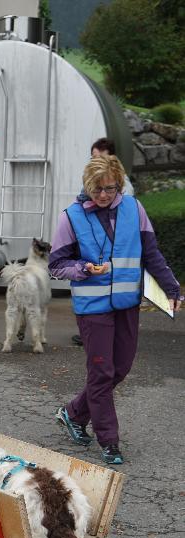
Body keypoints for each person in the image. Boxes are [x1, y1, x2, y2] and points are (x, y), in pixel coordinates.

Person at [49, 154, 181, 465]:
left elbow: (152, 254)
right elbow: (56, 265)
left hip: (127, 305)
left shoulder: (134, 209)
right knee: (101, 372)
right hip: (92, 308)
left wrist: (172, 288)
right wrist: (82, 268)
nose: (103, 195)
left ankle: (73, 413)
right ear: (87, 185)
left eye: (109, 188)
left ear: (119, 184)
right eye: (96, 189)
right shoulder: (71, 217)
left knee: (119, 369)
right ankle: (109, 441)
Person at [72, 137, 135, 346]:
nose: (102, 194)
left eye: (99, 156)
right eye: (93, 157)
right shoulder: (79, 202)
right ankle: (91, 328)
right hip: (93, 284)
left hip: (118, 274)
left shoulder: (125, 190)